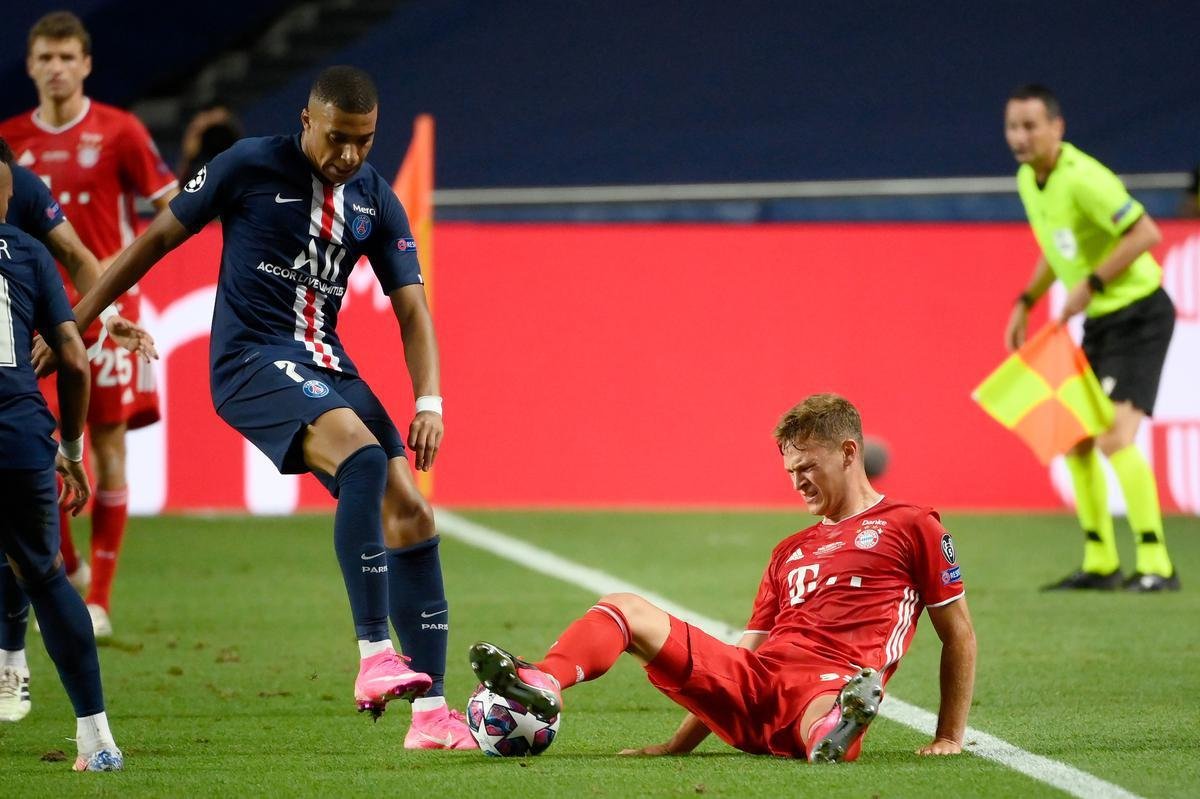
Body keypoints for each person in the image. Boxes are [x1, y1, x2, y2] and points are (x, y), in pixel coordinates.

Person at [70, 64, 472, 749]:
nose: (350, 155)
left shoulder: (374, 198)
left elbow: (412, 308)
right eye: (338, 138)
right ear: (307, 121)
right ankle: (375, 652)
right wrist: (79, 320)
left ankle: (431, 714)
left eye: (365, 141)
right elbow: (155, 239)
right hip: (250, 358)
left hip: (326, 362)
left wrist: (429, 399)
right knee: (362, 459)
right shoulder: (249, 165)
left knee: (412, 512)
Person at [470, 394, 976, 762]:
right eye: (790, 471)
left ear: (848, 452)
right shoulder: (789, 550)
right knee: (624, 607)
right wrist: (677, 745)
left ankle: (835, 730)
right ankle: (544, 680)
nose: (798, 482)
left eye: (808, 467)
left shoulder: (913, 525)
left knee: (829, 706)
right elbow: (748, 648)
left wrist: (949, 737)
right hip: (755, 681)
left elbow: (959, 636)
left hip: (831, 679)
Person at [0, 11, 180, 637]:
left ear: (86, 64)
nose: (56, 68)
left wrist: (115, 305)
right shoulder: (10, 141)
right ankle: (68, 562)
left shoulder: (119, 131)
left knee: (106, 445)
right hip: (26, 319)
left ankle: (98, 598)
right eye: (45, 57)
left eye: (66, 57)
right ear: (30, 65)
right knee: (35, 446)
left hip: (102, 312)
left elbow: (171, 206)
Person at [0, 136, 154, 724]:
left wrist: (107, 315)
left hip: (19, 368)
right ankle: (92, 731)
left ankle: (11, 657)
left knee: (19, 541)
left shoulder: (22, 183)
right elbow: (73, 356)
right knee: (30, 552)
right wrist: (70, 447)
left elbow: (73, 251)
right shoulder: (22, 221)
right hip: (24, 406)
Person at [1003, 84, 1179, 592]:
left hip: (1140, 314)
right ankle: (1101, 562)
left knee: (1114, 437)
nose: (1020, 136)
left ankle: (1157, 564)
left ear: (1056, 128)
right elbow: (1057, 248)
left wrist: (1092, 284)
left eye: (1031, 125)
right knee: (1075, 439)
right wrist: (1026, 300)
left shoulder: (1084, 179)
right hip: (1102, 320)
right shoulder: (1029, 179)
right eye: (1012, 126)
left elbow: (1146, 233)